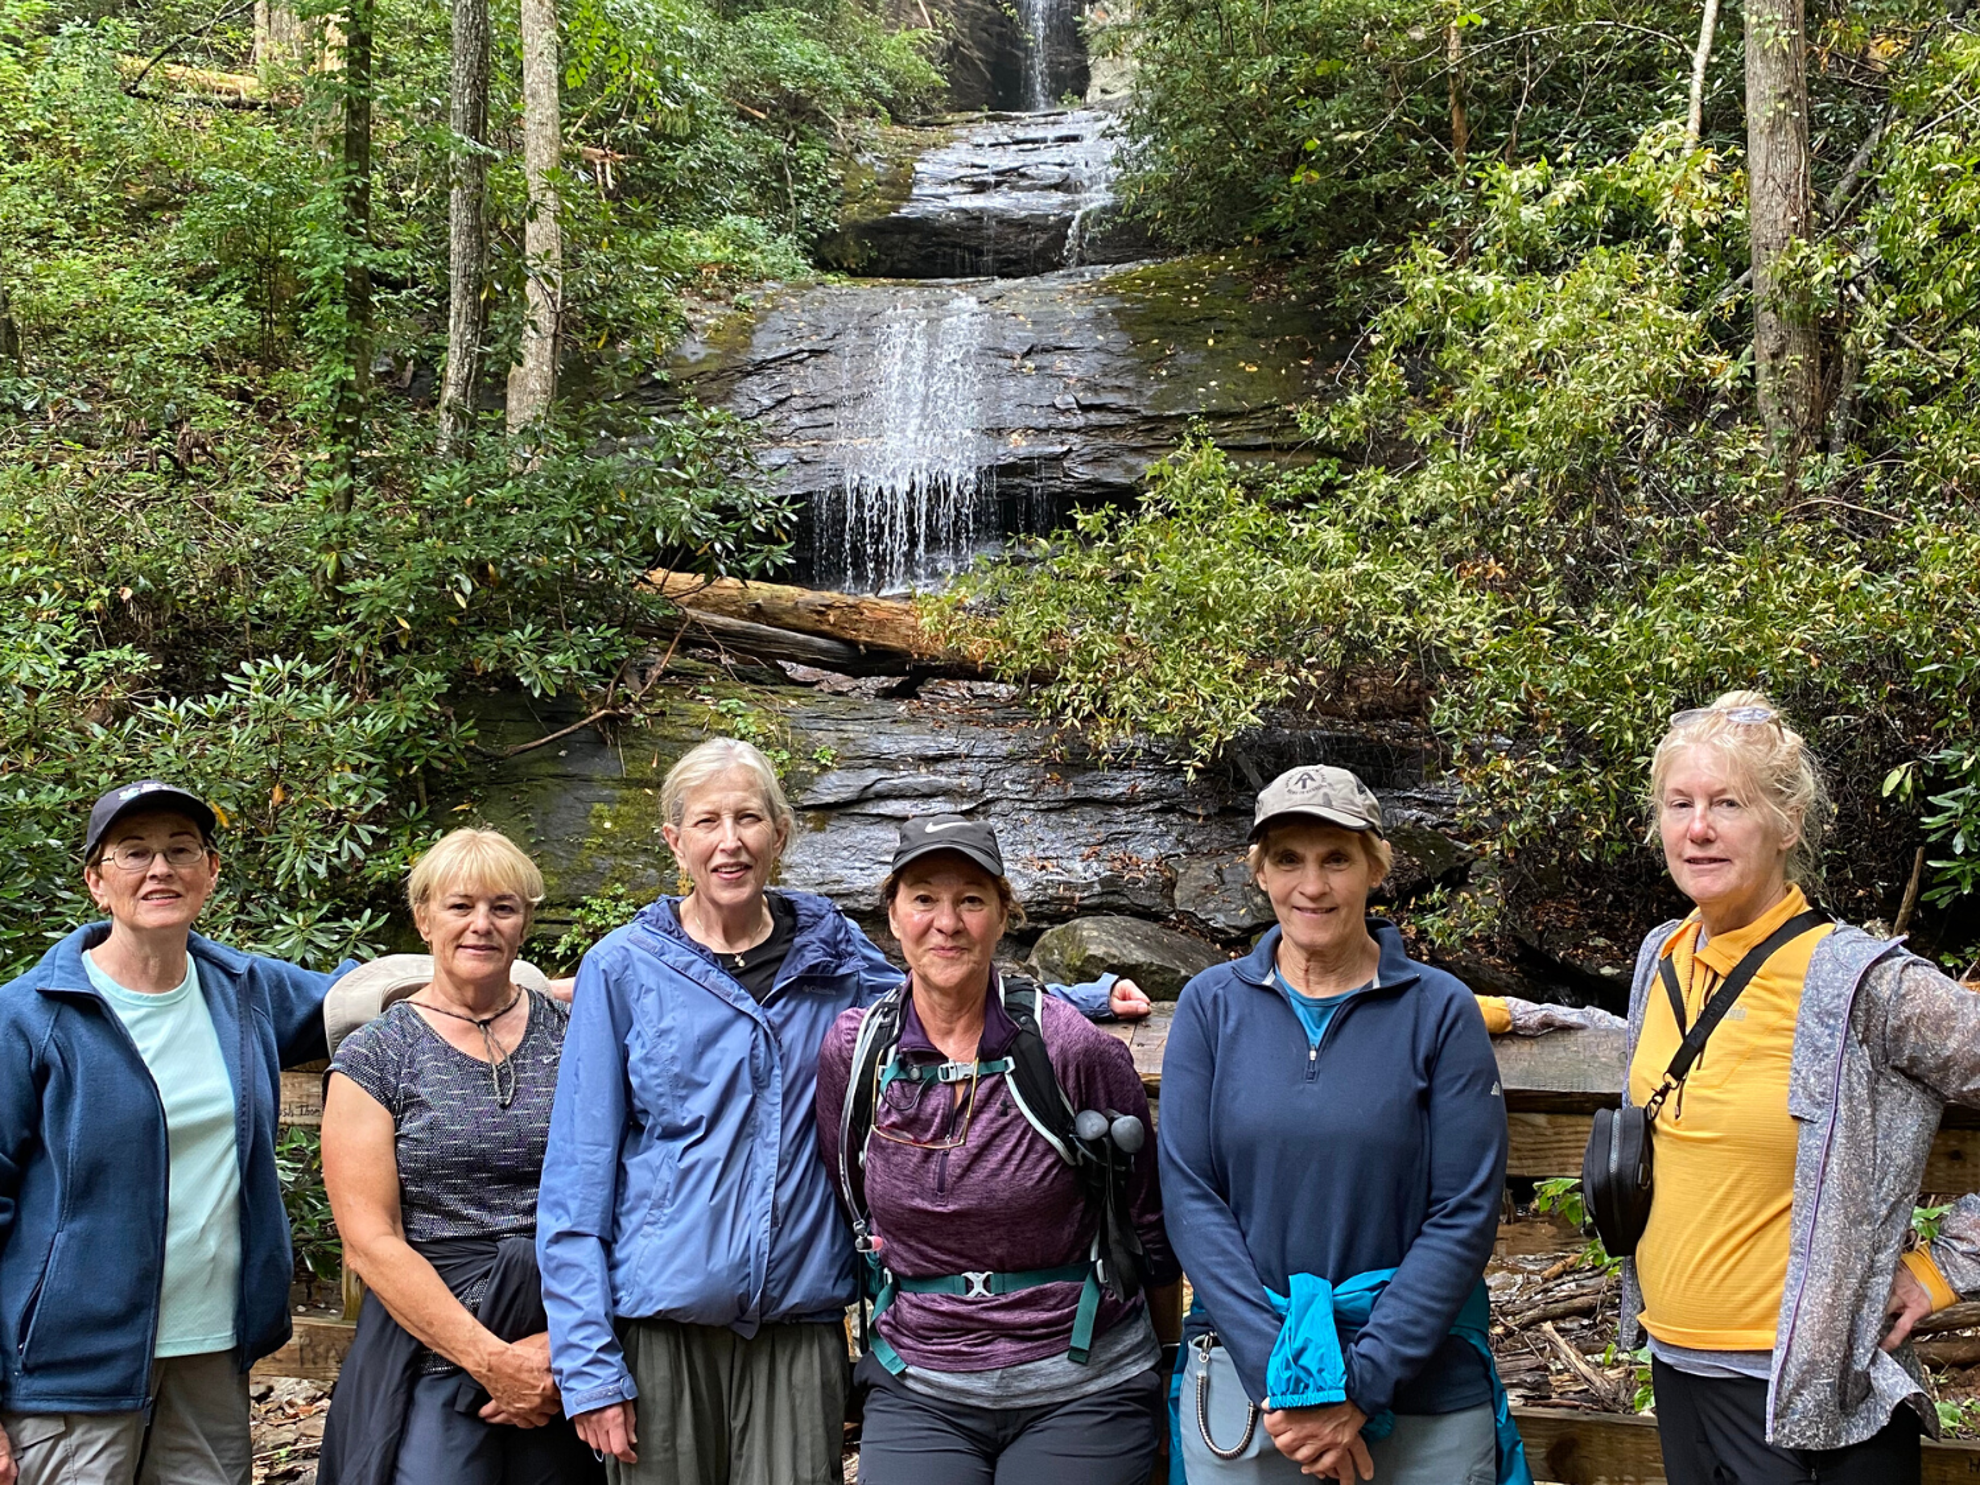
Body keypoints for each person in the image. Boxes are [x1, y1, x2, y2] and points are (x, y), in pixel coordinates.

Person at [536, 737, 1149, 1485]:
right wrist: (589, 1365)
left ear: (780, 834)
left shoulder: (830, 956)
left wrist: (1084, 1000)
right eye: (706, 821)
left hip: (799, 1321)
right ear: (675, 840)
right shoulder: (623, 968)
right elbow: (577, 1179)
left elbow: (938, 980)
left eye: (749, 818)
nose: (729, 841)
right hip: (663, 1324)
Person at [1617, 692, 1980, 1484]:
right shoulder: (1662, 954)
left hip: (1810, 1404)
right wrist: (1488, 1011)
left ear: (1787, 821)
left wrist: (1946, 1265)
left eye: (1727, 803)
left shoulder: (1862, 984)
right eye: (1680, 804)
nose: (1698, 827)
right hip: (1678, 1373)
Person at [1160, 764, 1526, 1485]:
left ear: (1375, 867)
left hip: (1419, 1375)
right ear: (1260, 872)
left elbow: (1463, 1211)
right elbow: (1190, 1196)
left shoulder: (1440, 1012)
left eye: (1337, 858)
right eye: (1289, 858)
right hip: (1248, 1376)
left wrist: (1358, 1383)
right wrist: (1291, 1383)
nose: (1313, 885)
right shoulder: (1210, 1007)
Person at [0, 781, 355, 1485]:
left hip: (212, 1354)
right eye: (133, 852)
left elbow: (369, 994)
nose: (159, 868)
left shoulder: (244, 989)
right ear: (97, 882)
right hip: (71, 1375)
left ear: (211, 871)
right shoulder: (27, 1016)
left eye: (180, 848)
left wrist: (545, 988)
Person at [815, 815, 1180, 1485]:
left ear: (1004, 914)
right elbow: (852, 1197)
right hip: (920, 1381)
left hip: (1081, 1377)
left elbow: (1145, 1220)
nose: (947, 921)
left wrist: (1166, 1366)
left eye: (972, 899)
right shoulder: (858, 1051)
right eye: (924, 897)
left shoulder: (1069, 1049)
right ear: (892, 914)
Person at [318, 829, 599, 1485]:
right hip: (436, 1333)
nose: (482, 924)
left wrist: (566, 1346)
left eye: (503, 906)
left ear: (526, 920)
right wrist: (492, 1358)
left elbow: (624, 1188)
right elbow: (370, 1241)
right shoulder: (377, 1055)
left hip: (564, 1315)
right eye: (460, 905)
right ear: (423, 918)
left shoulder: (575, 1033)